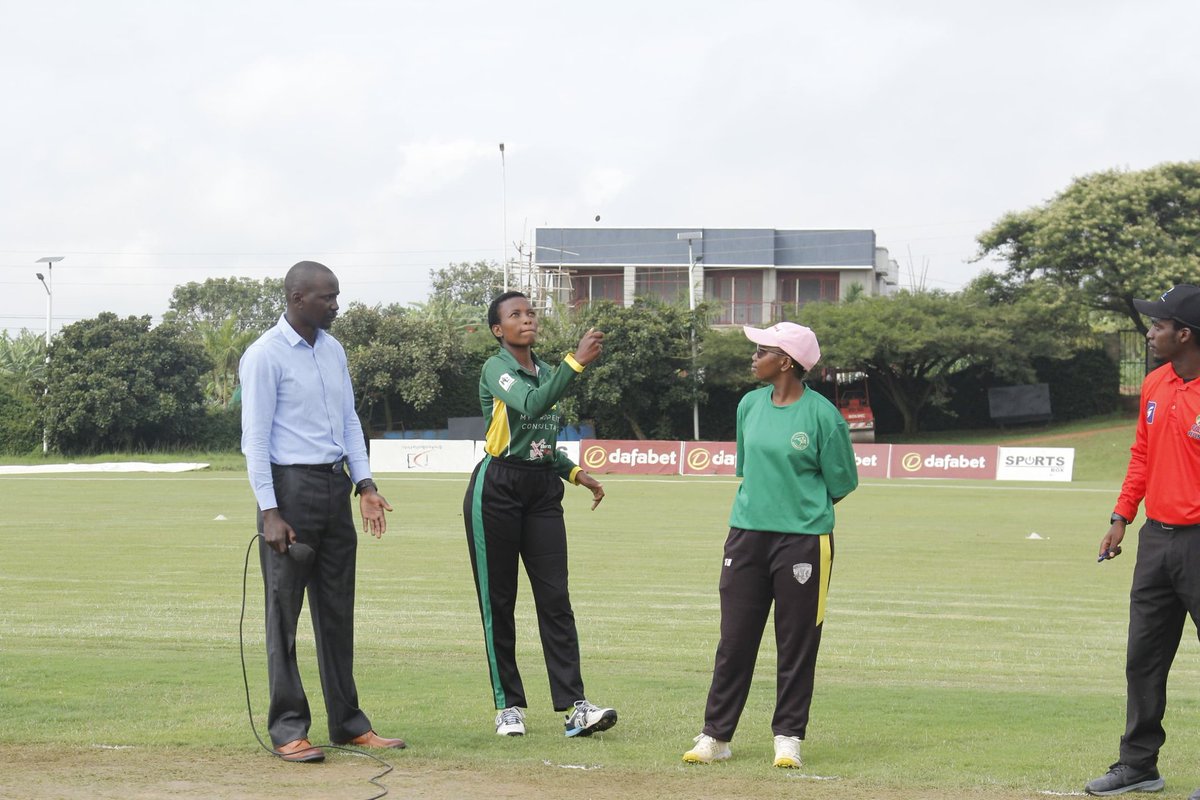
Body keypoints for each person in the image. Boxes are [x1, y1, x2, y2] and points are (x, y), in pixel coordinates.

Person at [239, 260, 404, 763]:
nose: (336, 304)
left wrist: (366, 484)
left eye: (336, 295)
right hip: (290, 491)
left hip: (335, 489)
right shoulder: (264, 356)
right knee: (283, 617)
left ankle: (350, 724)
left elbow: (350, 421)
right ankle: (289, 729)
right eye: (326, 297)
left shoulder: (333, 350)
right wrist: (269, 510)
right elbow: (256, 439)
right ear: (295, 299)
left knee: (336, 613)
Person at [682, 321, 858, 769]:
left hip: (804, 541)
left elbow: (842, 482)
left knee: (797, 641)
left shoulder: (823, 415)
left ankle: (788, 738)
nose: (753, 357)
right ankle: (716, 737)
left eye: (761, 351)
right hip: (746, 534)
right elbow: (748, 467)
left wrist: (799, 510)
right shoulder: (748, 405)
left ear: (786, 361)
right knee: (735, 640)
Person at [462, 290, 617, 738]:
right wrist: (578, 362)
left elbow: (542, 444)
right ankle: (507, 706)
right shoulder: (497, 368)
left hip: (542, 491)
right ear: (498, 330)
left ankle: (575, 707)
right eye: (515, 315)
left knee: (555, 600)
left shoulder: (548, 372)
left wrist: (575, 473)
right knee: (499, 602)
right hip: (496, 489)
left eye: (530, 313)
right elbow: (530, 406)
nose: (526, 319)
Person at [1085, 284, 1200, 798]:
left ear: (1185, 333)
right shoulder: (1155, 383)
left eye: (1157, 326)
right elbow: (1141, 455)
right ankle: (1138, 766)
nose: (1150, 332)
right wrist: (1121, 516)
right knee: (1144, 657)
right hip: (1157, 542)